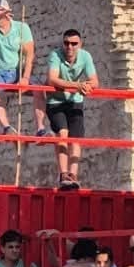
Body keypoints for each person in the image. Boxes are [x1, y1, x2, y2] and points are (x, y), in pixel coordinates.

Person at [43, 28, 99, 190]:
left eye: (74, 44)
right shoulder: (55, 55)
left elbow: (95, 81)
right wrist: (77, 85)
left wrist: (88, 86)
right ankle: (63, 174)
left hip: (75, 101)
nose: (70, 47)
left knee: (75, 139)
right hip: (56, 102)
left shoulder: (85, 56)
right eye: (66, 43)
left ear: (80, 44)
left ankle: (73, 176)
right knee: (62, 133)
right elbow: (52, 79)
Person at [0, 0, 35, 136]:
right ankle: (7, 128)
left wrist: (26, 78)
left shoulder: (21, 28)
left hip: (16, 72)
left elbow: (29, 55)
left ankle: (41, 129)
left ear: (6, 12)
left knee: (42, 90)